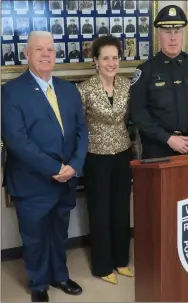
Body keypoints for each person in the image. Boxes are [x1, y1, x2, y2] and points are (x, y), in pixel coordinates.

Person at [1, 31, 88, 302]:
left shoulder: (68, 89)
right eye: (39, 50)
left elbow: (82, 131)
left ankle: (59, 275)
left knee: (58, 232)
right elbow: (17, 140)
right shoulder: (11, 91)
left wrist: (73, 166)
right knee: (35, 236)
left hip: (66, 178)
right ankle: (38, 282)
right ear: (27, 54)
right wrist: (55, 168)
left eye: (50, 49)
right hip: (33, 180)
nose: (46, 54)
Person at [76, 35, 133, 285]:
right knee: (100, 213)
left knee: (121, 210)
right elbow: (78, 126)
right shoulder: (84, 88)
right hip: (96, 157)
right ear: (95, 61)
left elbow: (131, 119)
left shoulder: (127, 86)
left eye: (115, 58)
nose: (111, 63)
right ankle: (102, 265)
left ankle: (121, 261)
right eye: (105, 58)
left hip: (122, 154)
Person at [130, 5, 188, 159]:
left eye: (177, 32)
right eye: (168, 32)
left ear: (182, 34)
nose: (173, 37)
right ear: (159, 34)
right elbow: (138, 113)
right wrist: (167, 138)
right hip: (157, 149)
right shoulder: (146, 70)